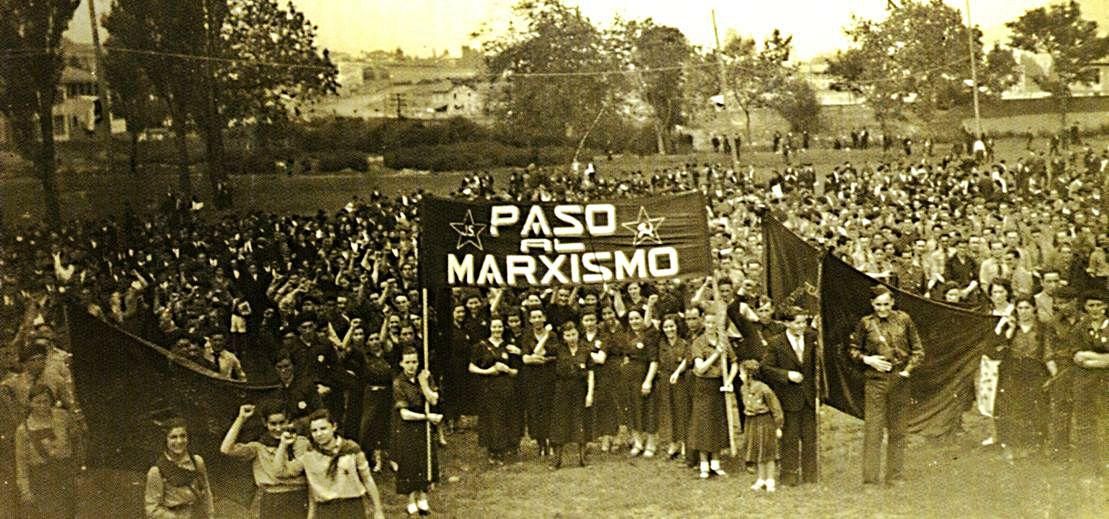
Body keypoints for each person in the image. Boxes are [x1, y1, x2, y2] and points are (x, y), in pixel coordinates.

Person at [847, 285, 925, 486]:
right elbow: (853, 350)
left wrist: (907, 371)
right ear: (872, 304)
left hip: (899, 380)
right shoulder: (866, 323)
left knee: (898, 430)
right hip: (875, 381)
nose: (882, 309)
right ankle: (870, 480)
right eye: (878, 305)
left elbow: (918, 350)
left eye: (886, 304)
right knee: (873, 430)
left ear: (892, 303)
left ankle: (895, 477)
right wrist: (868, 360)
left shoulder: (904, 320)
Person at [275, 409, 385, 519]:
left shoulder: (351, 449)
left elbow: (367, 479)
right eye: (314, 430)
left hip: (352, 507)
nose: (319, 434)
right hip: (325, 510)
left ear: (334, 427)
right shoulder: (308, 454)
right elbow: (280, 472)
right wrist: (283, 444)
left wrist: (378, 511)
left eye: (323, 428)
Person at [219, 401, 309, 519]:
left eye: (282, 423)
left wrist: (283, 445)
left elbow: (286, 472)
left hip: (297, 497)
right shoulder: (258, 447)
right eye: (273, 423)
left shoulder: (300, 443)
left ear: (289, 421)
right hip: (269, 499)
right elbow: (226, 449)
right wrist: (241, 418)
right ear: (265, 423)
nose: (278, 428)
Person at [761, 306, 818, 485]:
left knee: (810, 438)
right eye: (797, 323)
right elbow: (765, 368)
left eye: (804, 322)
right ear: (786, 323)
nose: (802, 326)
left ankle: (810, 476)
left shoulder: (812, 338)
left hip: (808, 397)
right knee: (790, 438)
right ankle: (789, 476)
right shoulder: (776, 343)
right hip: (788, 398)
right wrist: (786, 375)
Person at [994, 296, 1049, 460]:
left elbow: (1047, 351)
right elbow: (997, 350)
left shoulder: (1042, 329)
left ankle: (1031, 445)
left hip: (1035, 372)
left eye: (1027, 307)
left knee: (1034, 409)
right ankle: (1009, 446)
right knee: (1008, 409)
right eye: (1020, 308)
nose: (1023, 312)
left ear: (1034, 309)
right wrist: (1009, 331)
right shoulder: (1011, 328)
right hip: (1013, 372)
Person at [686, 312, 736, 479]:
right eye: (707, 322)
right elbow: (700, 369)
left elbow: (734, 362)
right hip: (703, 386)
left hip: (719, 386)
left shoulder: (723, 341)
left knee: (717, 423)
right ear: (703, 323)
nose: (710, 325)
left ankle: (715, 463)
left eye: (714, 322)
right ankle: (704, 464)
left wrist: (728, 380)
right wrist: (716, 353)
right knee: (703, 424)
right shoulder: (698, 343)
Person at [14, 384, 76, 519]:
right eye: (37, 402)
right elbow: (21, 463)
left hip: (63, 476)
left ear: (51, 402)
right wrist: (25, 491)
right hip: (42, 480)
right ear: (30, 403)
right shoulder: (23, 430)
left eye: (45, 401)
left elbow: (75, 438)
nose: (42, 406)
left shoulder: (62, 417)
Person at [392, 348, 441, 515]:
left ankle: (423, 497)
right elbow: (404, 414)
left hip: (424, 424)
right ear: (401, 363)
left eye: (414, 361)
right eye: (408, 362)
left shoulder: (425, 376)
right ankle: (411, 498)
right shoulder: (399, 382)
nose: (411, 366)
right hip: (408, 425)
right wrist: (427, 417)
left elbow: (433, 399)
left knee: (425, 459)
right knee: (410, 462)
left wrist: (424, 384)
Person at [468, 317, 519, 464]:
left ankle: (504, 448)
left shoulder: (508, 347)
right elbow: (471, 367)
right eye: (494, 327)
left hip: (506, 387)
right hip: (488, 387)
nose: (497, 330)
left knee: (505, 417)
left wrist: (507, 369)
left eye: (500, 327)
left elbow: (516, 371)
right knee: (491, 418)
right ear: (490, 328)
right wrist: (488, 371)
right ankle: (493, 450)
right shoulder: (481, 346)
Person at [547, 322, 595, 469]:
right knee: (560, 423)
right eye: (567, 335)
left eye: (573, 334)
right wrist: (547, 334)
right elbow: (538, 352)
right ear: (563, 337)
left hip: (580, 390)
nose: (571, 338)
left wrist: (590, 394)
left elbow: (591, 373)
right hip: (562, 390)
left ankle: (582, 459)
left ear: (578, 334)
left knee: (580, 421)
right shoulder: (558, 350)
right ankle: (557, 460)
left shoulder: (585, 350)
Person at [144, 417, 214, 519]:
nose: (179, 441)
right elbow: (152, 509)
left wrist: (210, 515)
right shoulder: (157, 471)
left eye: (183, 436)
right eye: (173, 437)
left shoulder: (197, 462)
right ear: (165, 440)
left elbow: (206, 491)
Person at [739, 360, 783, 492]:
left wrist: (778, 426)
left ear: (749, 374)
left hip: (765, 422)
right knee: (757, 449)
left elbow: (775, 408)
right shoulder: (743, 388)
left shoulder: (764, 389)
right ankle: (761, 478)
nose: (739, 376)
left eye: (741, 373)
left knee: (768, 451)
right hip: (752, 422)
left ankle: (770, 480)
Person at [658, 315, 691, 461]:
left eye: (671, 326)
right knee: (668, 411)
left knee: (681, 410)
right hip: (665, 380)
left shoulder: (684, 343)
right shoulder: (662, 344)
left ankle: (684, 445)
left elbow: (686, 359)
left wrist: (677, 372)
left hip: (680, 380)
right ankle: (673, 444)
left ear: (677, 326)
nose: (669, 329)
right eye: (666, 327)